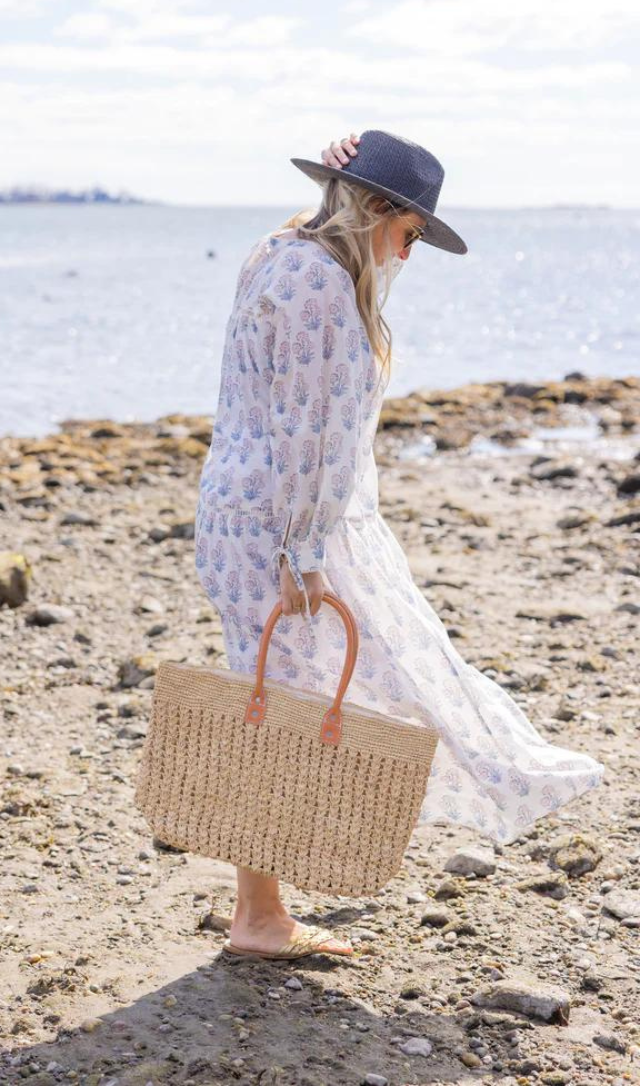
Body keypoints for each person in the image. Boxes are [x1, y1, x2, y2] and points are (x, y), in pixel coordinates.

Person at [194, 129, 606, 961]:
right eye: (411, 233)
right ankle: (259, 916)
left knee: (278, 700)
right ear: (377, 207)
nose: (408, 255)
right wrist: (304, 554)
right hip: (287, 524)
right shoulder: (317, 280)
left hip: (247, 510)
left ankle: (259, 905)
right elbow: (312, 432)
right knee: (305, 703)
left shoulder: (278, 249)